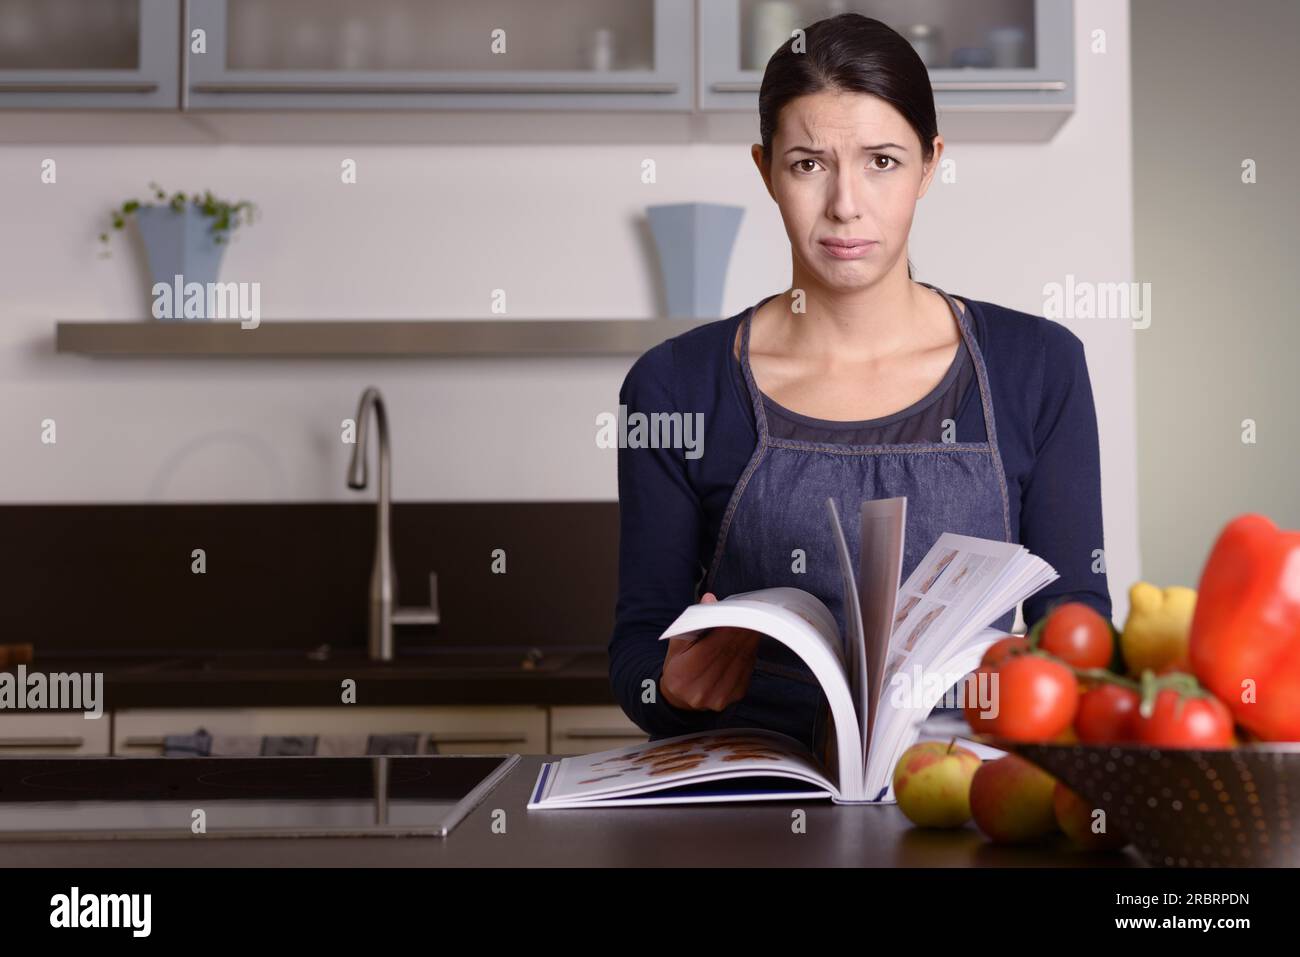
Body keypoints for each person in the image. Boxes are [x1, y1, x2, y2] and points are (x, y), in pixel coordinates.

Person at [609, 14, 1111, 756]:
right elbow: (635, 658)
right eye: (809, 164)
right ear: (765, 169)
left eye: (882, 161)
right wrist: (676, 687)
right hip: (756, 804)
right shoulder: (671, 385)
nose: (846, 204)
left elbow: (1076, 627)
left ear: (931, 163)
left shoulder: (1040, 366)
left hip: (967, 797)